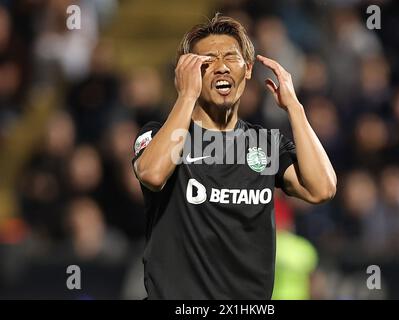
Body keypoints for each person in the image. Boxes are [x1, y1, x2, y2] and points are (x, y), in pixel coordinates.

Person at [132, 14, 336, 299]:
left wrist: (295, 107)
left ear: (248, 69)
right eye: (207, 60)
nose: (221, 67)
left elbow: (322, 188)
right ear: (188, 72)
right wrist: (186, 96)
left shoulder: (266, 145)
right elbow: (153, 174)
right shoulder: (159, 136)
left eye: (230, 57)